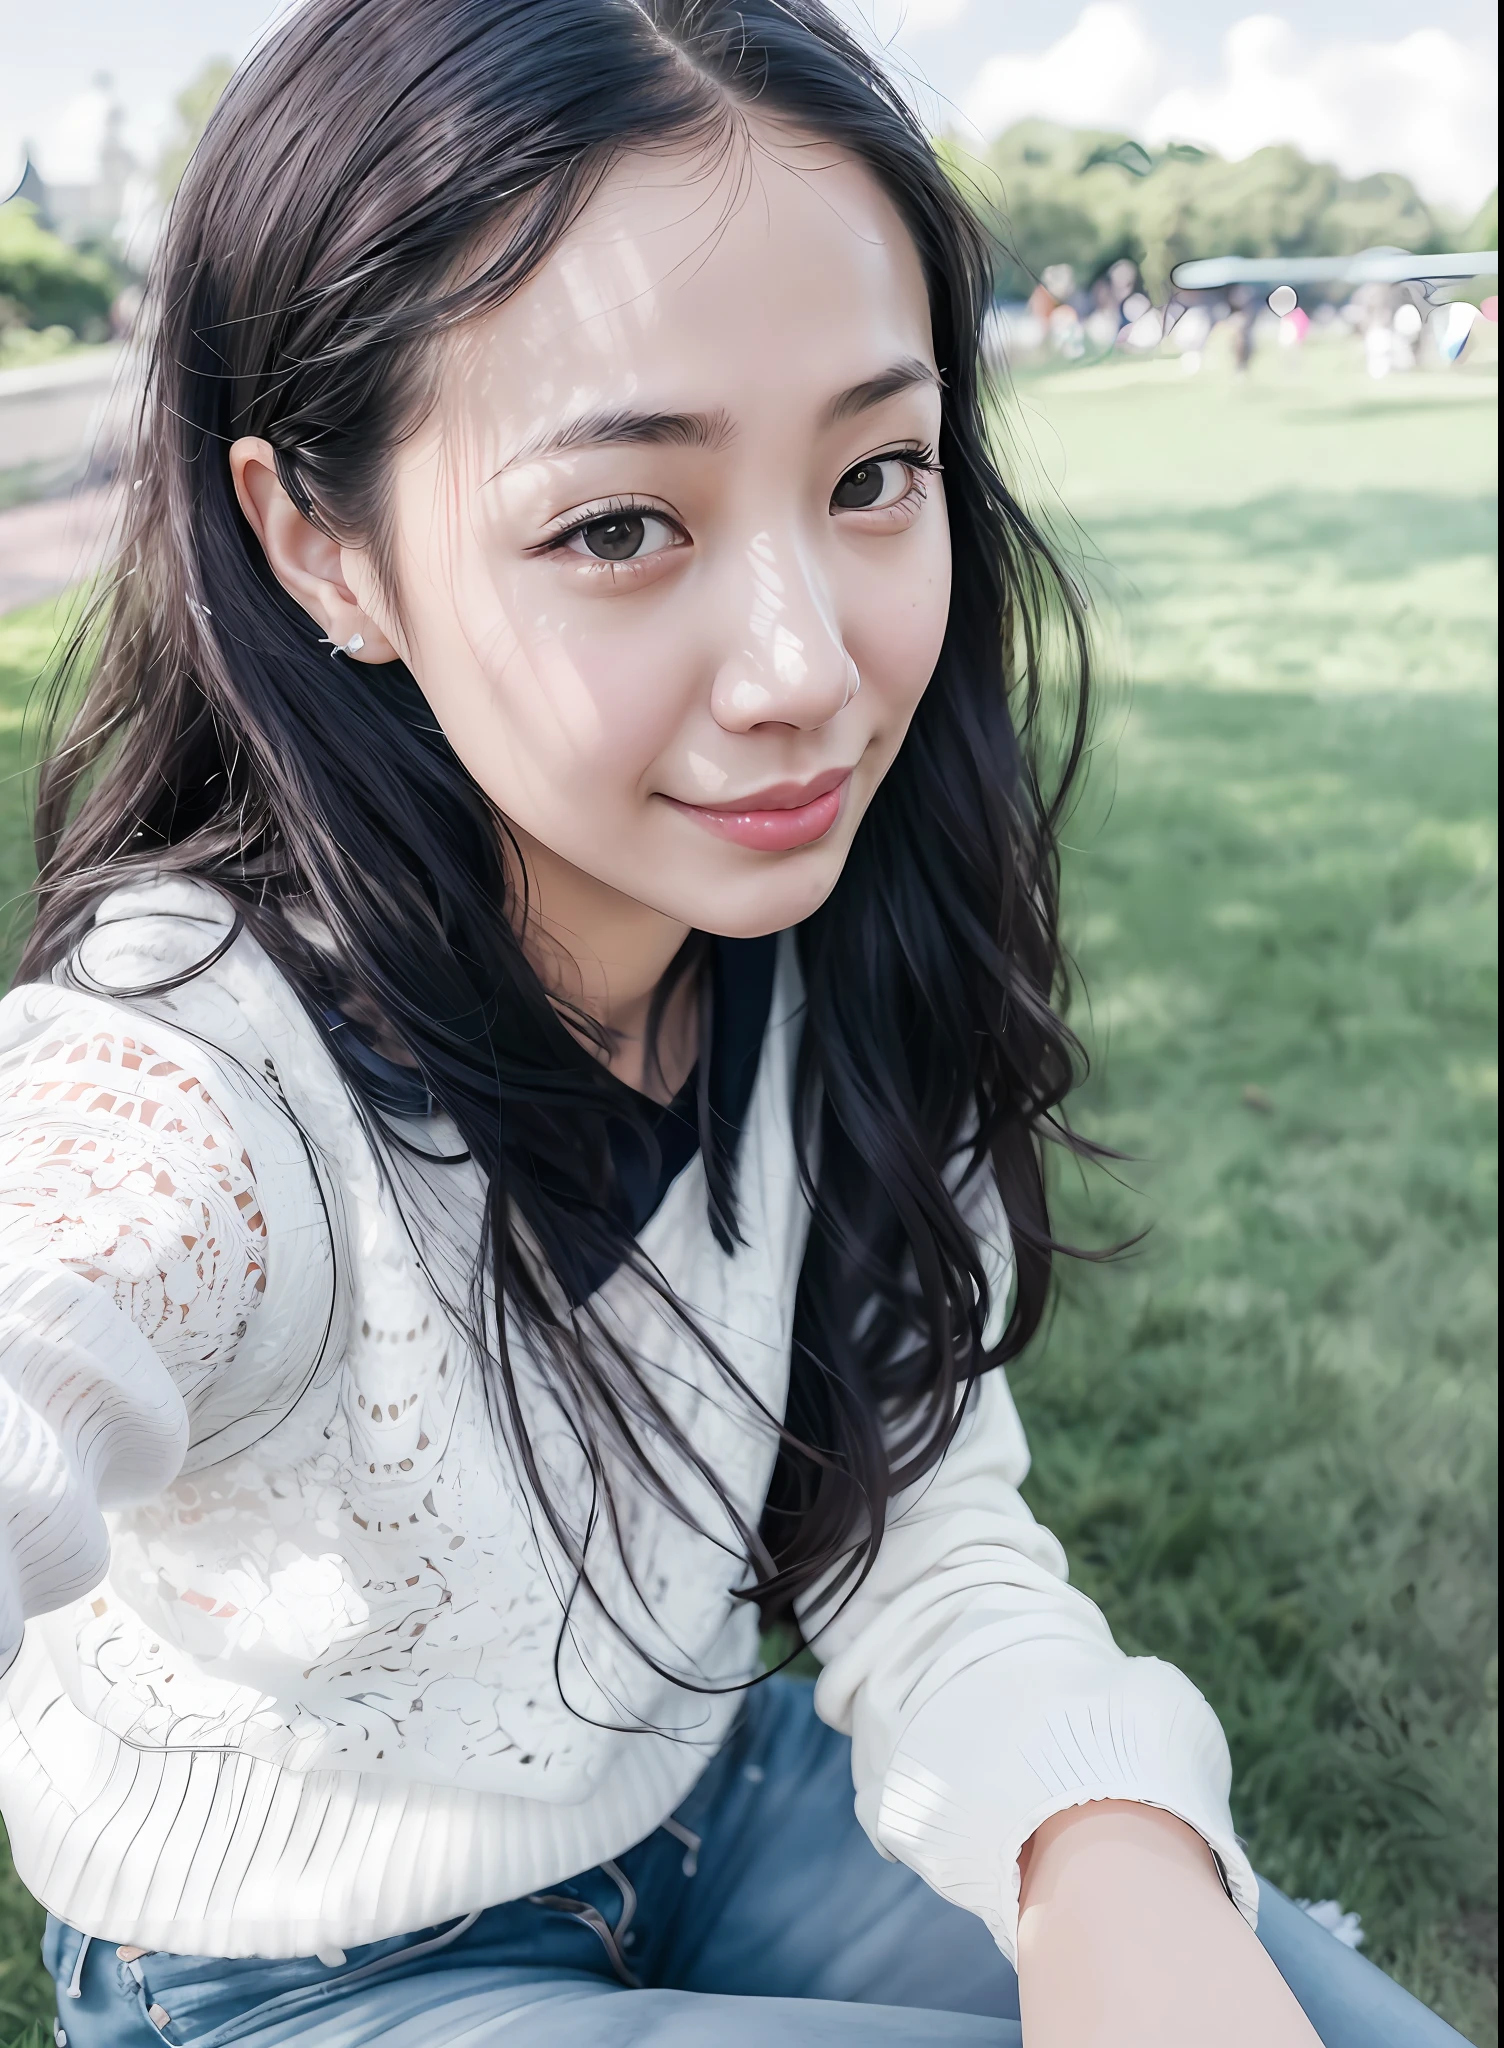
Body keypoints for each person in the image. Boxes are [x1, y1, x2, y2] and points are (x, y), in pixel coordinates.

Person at [0, 4, 1469, 2044]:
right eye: (621, 525)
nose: (805, 669)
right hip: (286, 1981)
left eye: (874, 473)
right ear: (315, 541)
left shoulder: (819, 939)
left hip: (713, 1806)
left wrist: (1102, 1858)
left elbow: (925, 1527)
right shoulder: (194, 1095)